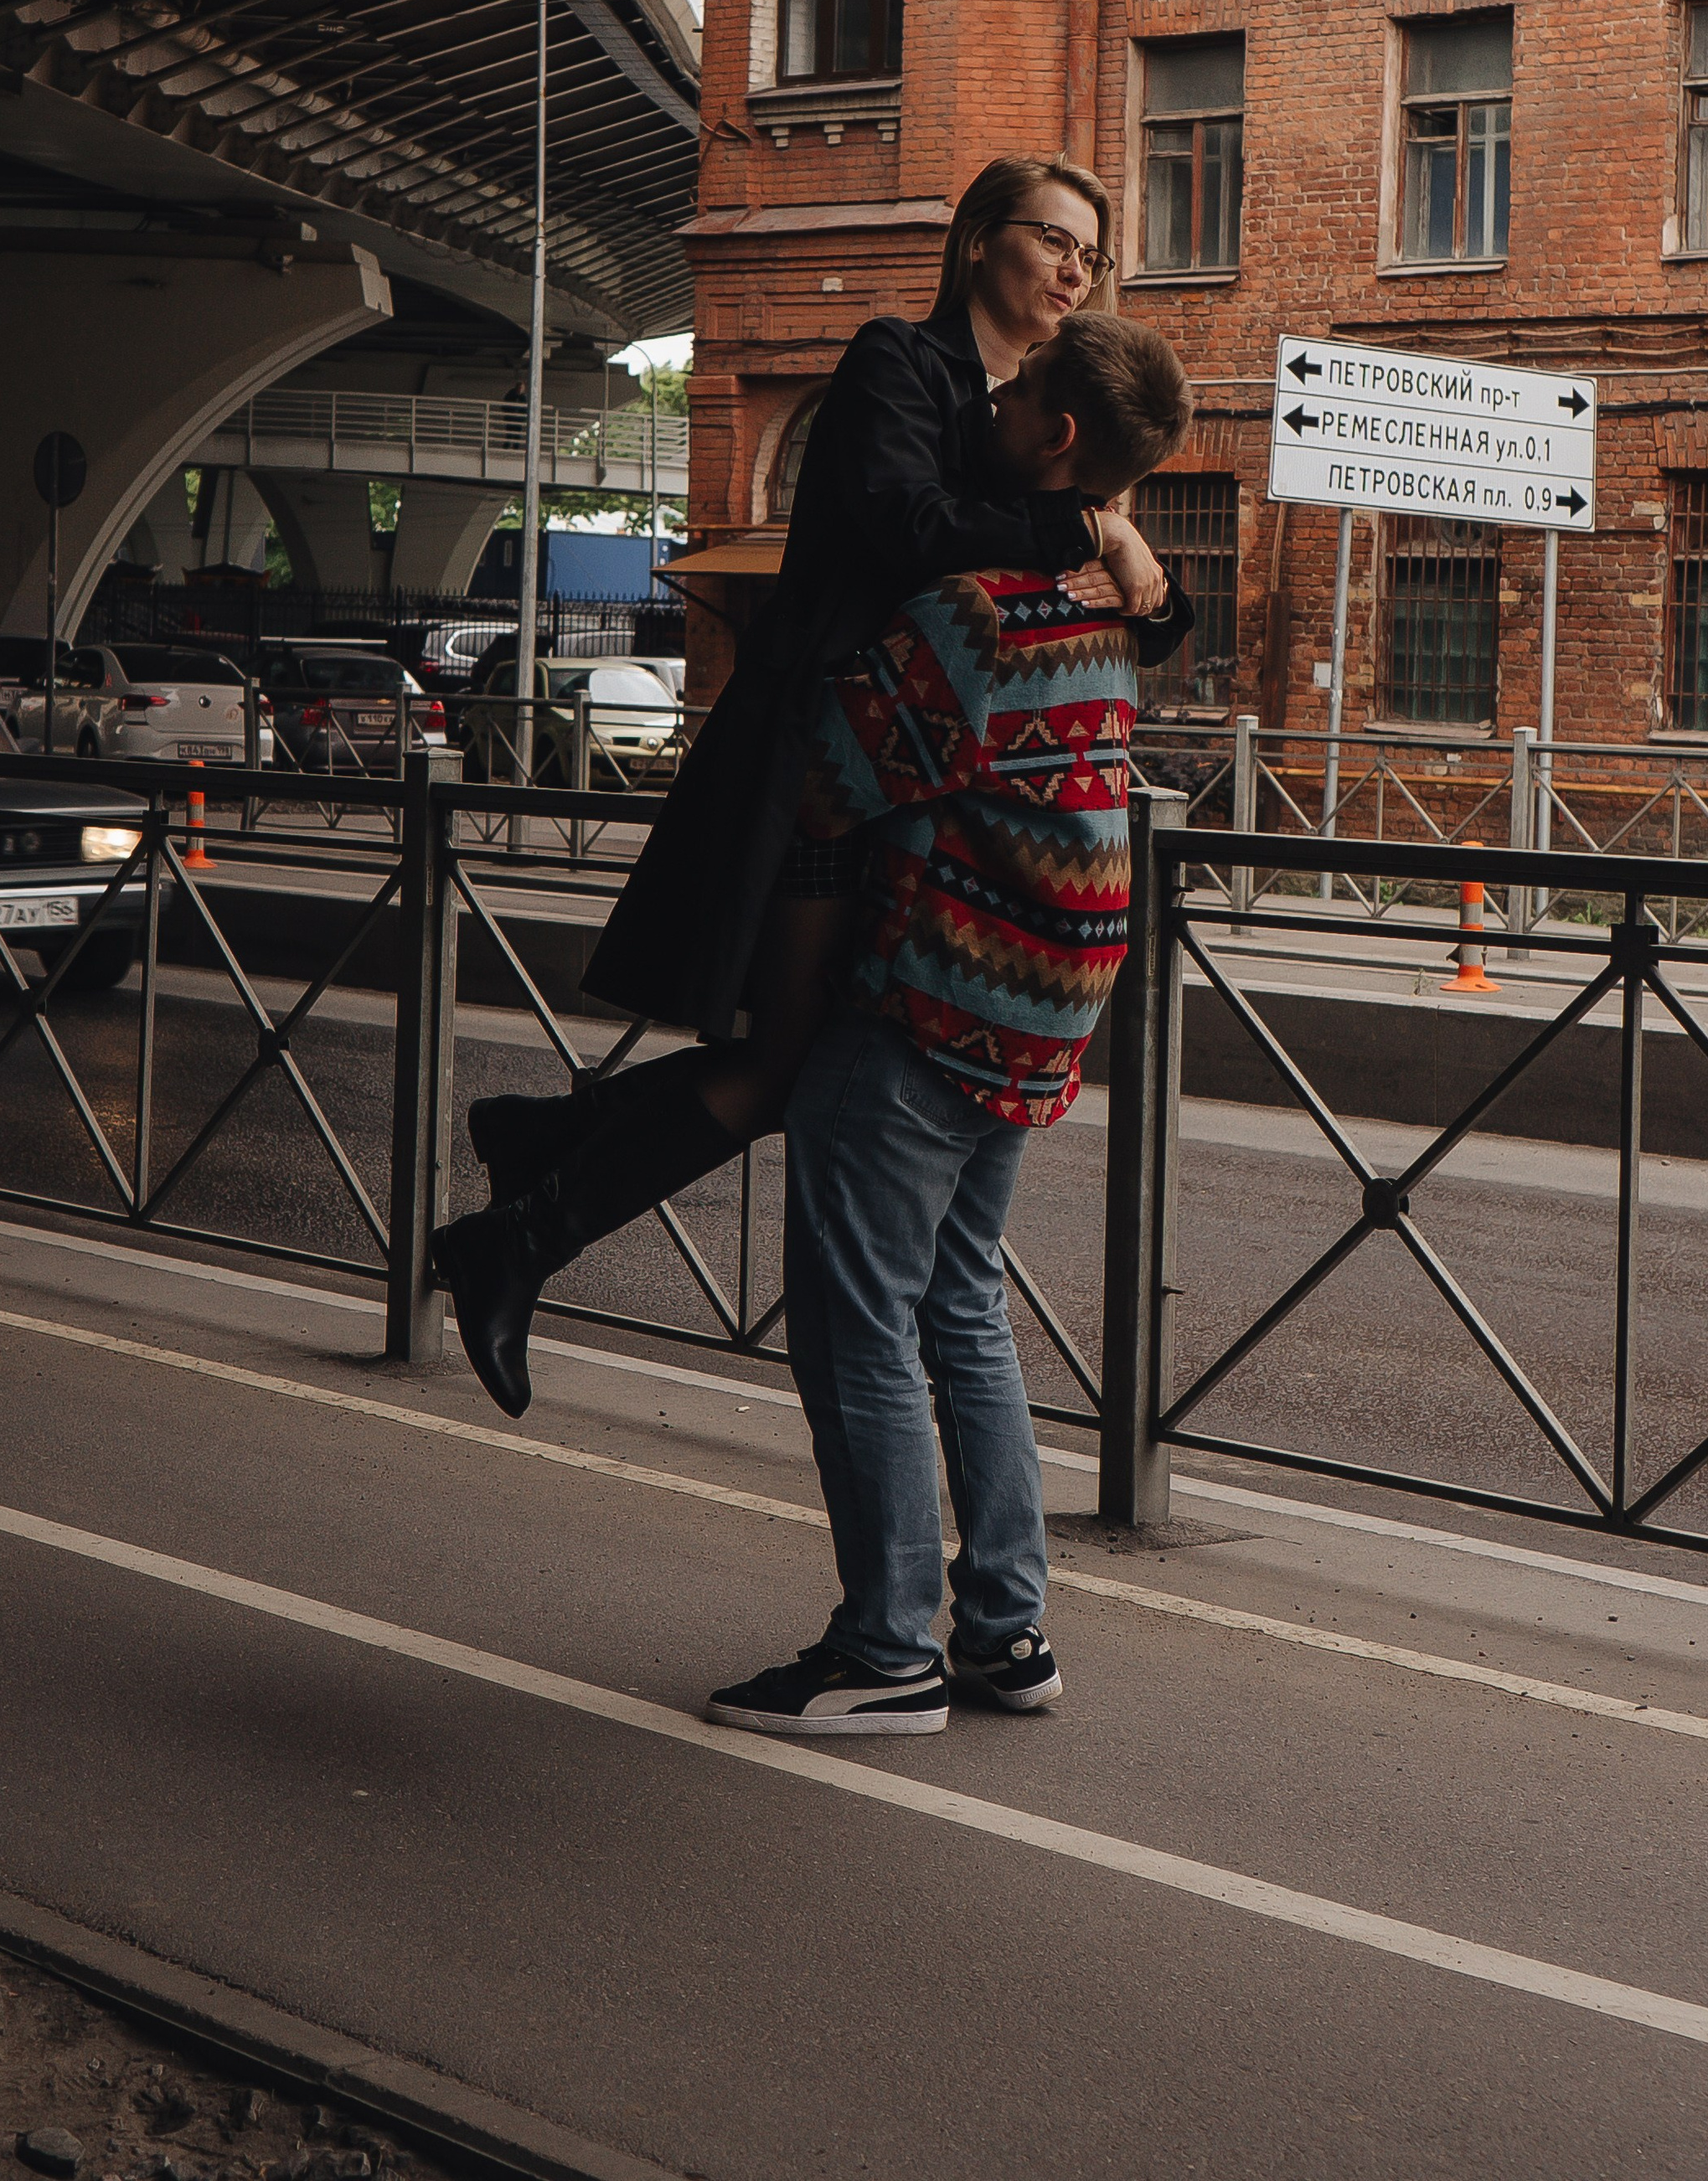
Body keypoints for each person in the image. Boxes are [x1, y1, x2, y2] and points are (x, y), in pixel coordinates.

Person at [435, 161, 1191, 1415]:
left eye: (1091, 256)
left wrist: (1139, 572)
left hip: (921, 802)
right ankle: (526, 1216)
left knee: (804, 1061)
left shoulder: (1059, 410)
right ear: (973, 245)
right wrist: (1087, 532)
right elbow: (908, 532)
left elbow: (1102, 615)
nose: (1071, 269)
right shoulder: (902, 364)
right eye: (1050, 240)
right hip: (825, 759)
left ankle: (543, 1164)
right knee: (793, 1065)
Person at [703, 315, 1195, 1736]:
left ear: (1051, 437)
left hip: (933, 999)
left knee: (856, 1329)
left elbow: (829, 789)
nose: (996, 391)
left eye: (1023, 387)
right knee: (962, 1305)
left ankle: (883, 1655)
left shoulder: (977, 611)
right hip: (1043, 1008)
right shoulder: (1106, 604)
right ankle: (1004, 1632)